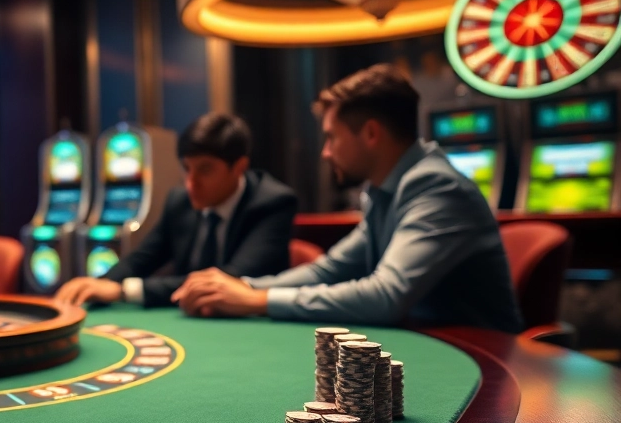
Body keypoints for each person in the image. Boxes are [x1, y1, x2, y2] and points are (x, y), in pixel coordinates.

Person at [172, 64, 524, 333]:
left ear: (371, 133)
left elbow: (386, 296)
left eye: (332, 138)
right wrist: (240, 287)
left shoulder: (436, 187)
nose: (325, 153)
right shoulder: (383, 191)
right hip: (432, 345)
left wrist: (257, 300)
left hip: (483, 365)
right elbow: (331, 270)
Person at [55, 112, 297, 307]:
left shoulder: (272, 203)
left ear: (239, 167)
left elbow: (228, 279)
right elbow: (142, 259)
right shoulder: (179, 201)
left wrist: (122, 290)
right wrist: (98, 285)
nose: (191, 183)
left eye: (205, 170)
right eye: (186, 168)